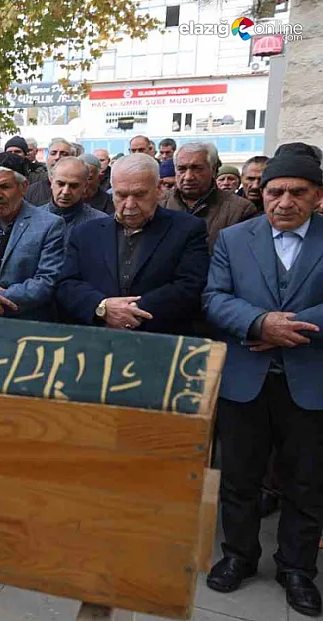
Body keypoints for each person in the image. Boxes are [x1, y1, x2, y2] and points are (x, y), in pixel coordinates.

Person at [202, 151, 323, 618]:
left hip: (309, 380)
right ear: (262, 194)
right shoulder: (235, 239)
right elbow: (214, 297)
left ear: (317, 197)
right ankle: (238, 555)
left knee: (306, 481)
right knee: (239, 477)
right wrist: (257, 322)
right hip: (245, 380)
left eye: (298, 192)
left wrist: (289, 328)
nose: (285, 202)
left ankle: (297, 569)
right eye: (275, 192)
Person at [55, 154, 208, 334]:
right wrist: (102, 307)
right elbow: (67, 284)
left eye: (139, 195)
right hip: (96, 340)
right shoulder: (85, 233)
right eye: (121, 195)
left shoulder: (187, 229)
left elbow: (190, 285)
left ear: (159, 189)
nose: (129, 204)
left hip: (161, 340)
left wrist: (129, 312)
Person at [0, 152, 65, 321]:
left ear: (23, 187)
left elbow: (45, 282)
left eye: (5, 187)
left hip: (23, 325)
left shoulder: (49, 225)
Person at [163, 142, 258, 252]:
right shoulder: (158, 204)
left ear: (213, 170)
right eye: (182, 169)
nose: (188, 177)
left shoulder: (241, 210)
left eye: (197, 168)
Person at [39, 157, 108, 242]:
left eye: (73, 186)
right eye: (61, 184)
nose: (65, 192)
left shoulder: (100, 222)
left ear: (85, 186)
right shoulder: (34, 220)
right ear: (51, 181)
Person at [24, 138, 73, 205]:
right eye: (53, 153)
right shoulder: (31, 191)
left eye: (64, 154)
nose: (57, 157)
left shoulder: (80, 190)